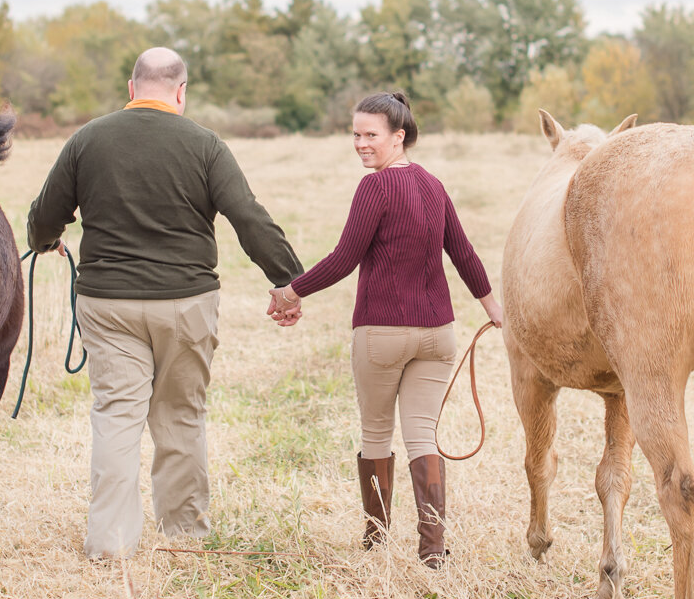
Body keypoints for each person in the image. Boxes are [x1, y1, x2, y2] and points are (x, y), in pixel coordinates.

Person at [27, 47, 303, 559]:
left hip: (107, 304)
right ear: (181, 92)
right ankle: (183, 536)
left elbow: (47, 214)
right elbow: (249, 217)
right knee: (180, 415)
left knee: (116, 416)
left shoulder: (88, 139)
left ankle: (110, 545)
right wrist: (288, 281)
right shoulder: (204, 144)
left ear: (132, 89)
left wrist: (44, 241)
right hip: (185, 302)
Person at [270, 91, 500, 566]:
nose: (360, 143)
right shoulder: (433, 186)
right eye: (355, 134)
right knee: (422, 436)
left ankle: (376, 541)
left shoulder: (374, 189)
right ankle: (433, 552)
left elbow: (343, 259)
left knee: (376, 433)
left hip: (381, 332)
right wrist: (493, 308)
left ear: (399, 137)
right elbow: (464, 253)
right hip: (438, 334)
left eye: (370, 135)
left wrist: (292, 292)